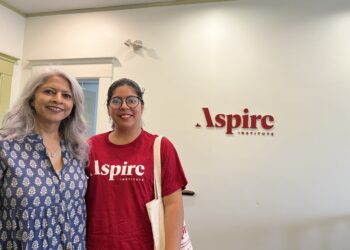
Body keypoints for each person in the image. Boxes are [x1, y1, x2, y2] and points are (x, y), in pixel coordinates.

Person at [86, 78, 188, 250]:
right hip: (95, 244)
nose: (124, 106)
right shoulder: (90, 147)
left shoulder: (160, 147)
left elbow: (173, 205)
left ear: (142, 106)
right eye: (116, 101)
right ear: (108, 108)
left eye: (132, 100)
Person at [0, 67, 89, 249]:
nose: (58, 99)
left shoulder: (77, 150)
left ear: (73, 106)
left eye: (66, 95)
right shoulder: (5, 146)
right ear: (32, 99)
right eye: (49, 91)